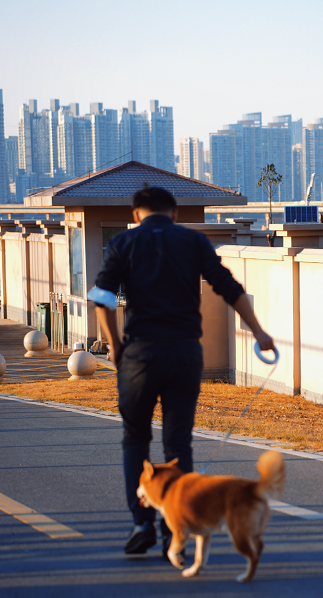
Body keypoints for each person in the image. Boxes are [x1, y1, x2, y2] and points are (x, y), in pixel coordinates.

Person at [88, 186, 275, 558]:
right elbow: (228, 286)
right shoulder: (193, 241)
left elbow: (102, 298)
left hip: (139, 354)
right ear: (174, 214)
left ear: (137, 214)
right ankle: (177, 526)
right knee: (178, 444)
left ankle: (142, 522)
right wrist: (258, 331)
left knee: (135, 439)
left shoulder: (123, 243)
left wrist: (115, 344)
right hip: (185, 353)